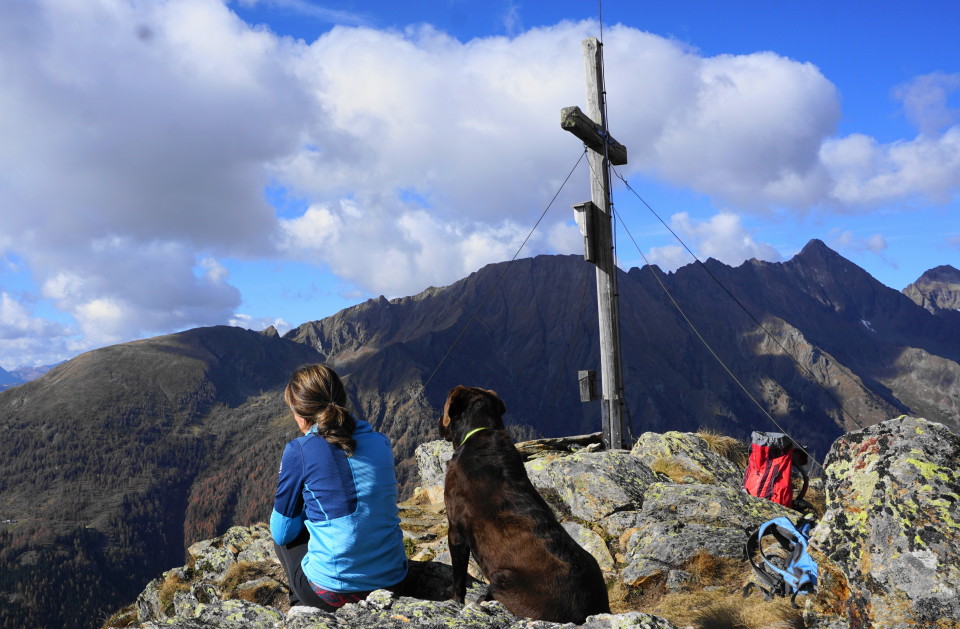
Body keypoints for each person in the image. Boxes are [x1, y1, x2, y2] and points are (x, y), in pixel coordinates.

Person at [271, 364, 408, 611]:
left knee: (284, 536)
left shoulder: (299, 450)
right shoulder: (381, 441)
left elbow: (281, 533)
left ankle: (300, 610)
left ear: (300, 413)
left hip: (331, 592)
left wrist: (306, 512)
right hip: (394, 581)